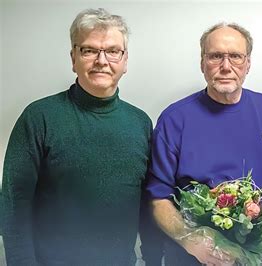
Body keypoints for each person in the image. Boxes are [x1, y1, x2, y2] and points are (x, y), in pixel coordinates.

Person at [2, 8, 153, 265]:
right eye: (89, 50)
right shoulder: (39, 117)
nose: (102, 61)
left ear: (125, 60)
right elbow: (14, 204)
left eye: (113, 51)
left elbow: (147, 206)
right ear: (74, 58)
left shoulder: (140, 123)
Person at [144, 22, 262, 265]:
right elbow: (158, 198)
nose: (225, 66)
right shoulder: (175, 119)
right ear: (202, 63)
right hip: (193, 258)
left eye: (235, 56)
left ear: (248, 64)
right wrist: (190, 240)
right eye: (215, 56)